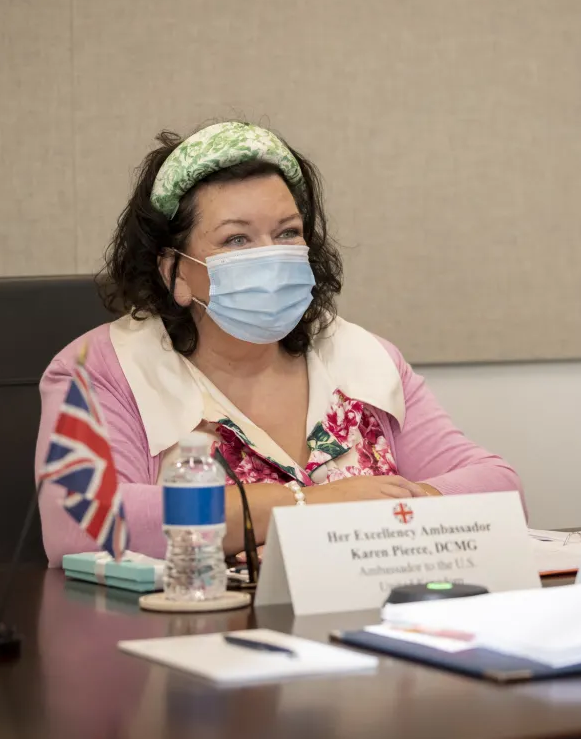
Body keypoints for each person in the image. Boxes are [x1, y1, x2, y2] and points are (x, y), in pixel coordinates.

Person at [35, 122, 522, 561]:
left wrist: (383, 513)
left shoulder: (361, 356)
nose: (271, 258)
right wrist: (308, 506)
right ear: (175, 273)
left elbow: (499, 487)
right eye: (237, 240)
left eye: (288, 233)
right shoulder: (101, 368)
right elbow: (82, 521)